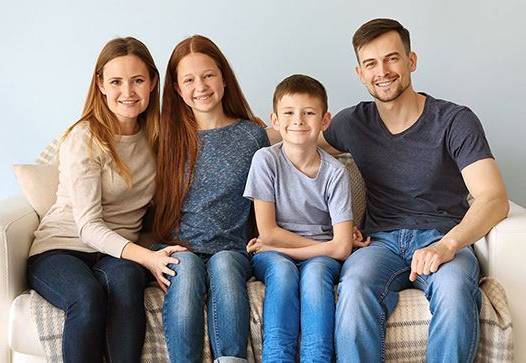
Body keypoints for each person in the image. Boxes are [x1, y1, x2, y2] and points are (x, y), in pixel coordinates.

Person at [319, 19, 509, 362]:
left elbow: (493, 199)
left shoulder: (454, 120)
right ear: (360, 73)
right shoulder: (352, 123)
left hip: (443, 237)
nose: (383, 71)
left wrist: (447, 245)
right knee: (354, 288)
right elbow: (295, 137)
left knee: (453, 292)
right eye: (371, 64)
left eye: (392, 58)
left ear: (411, 61)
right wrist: (252, 129)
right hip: (380, 243)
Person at [27, 37, 187, 363]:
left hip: (114, 254)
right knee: (86, 298)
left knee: (127, 280)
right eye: (116, 81)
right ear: (100, 84)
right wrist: (148, 258)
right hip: (62, 247)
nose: (127, 91)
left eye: (138, 80)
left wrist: (246, 125)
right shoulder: (84, 138)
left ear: (153, 82)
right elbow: (87, 227)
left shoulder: (158, 138)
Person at [152, 35, 269, 363]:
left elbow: (272, 192)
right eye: (188, 79)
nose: (200, 86)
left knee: (224, 266)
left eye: (208, 75)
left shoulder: (251, 135)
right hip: (178, 247)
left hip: (231, 248)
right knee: (186, 268)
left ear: (223, 79)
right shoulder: (166, 138)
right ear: (177, 88)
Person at [243, 74, 370, 363]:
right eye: (289, 113)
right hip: (276, 255)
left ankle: (317, 358)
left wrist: (283, 248)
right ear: (275, 119)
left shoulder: (335, 172)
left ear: (325, 121)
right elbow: (268, 232)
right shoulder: (265, 161)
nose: (298, 120)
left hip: (313, 257)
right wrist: (283, 246)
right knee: (285, 274)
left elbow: (341, 250)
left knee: (314, 277)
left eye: (309, 113)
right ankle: (277, 358)